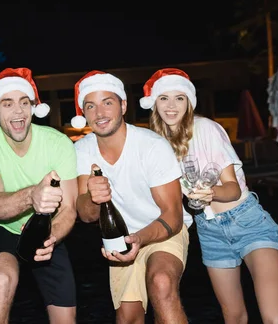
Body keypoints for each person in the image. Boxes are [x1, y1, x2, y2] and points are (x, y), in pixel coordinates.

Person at [141, 68, 278, 323]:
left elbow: (232, 188)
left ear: (189, 102)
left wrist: (210, 193)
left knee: (276, 318)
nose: (171, 105)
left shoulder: (206, 129)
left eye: (179, 98)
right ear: (154, 102)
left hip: (247, 220)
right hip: (209, 232)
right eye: (164, 98)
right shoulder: (155, 145)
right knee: (234, 317)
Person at [71, 70, 192, 324]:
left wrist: (139, 238)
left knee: (161, 283)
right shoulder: (81, 150)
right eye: (90, 106)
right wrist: (93, 197)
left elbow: (173, 215)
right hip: (118, 240)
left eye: (107, 103)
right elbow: (85, 214)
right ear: (83, 112)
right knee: (128, 318)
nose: (99, 113)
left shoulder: (152, 146)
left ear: (123, 105)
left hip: (162, 230)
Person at [0, 67, 79, 324]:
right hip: (4, 230)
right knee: (1, 280)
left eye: (24, 102)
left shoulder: (58, 142)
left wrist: (51, 238)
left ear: (33, 107)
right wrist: (33, 194)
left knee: (66, 320)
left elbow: (69, 209)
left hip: (48, 230)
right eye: (7, 104)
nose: (18, 111)